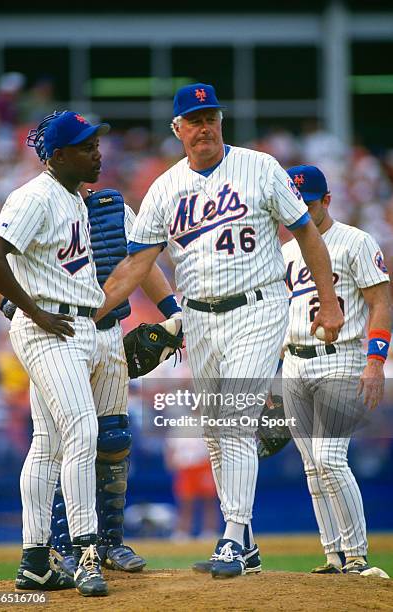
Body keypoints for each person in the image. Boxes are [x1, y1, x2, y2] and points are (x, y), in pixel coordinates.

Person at [90, 83, 344, 579]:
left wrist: (329, 303)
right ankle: (245, 543)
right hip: (200, 318)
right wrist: (94, 312)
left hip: (258, 305)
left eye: (211, 117)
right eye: (194, 119)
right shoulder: (164, 188)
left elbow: (307, 233)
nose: (204, 126)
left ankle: (232, 533)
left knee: (233, 420)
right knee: (214, 432)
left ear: (221, 121)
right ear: (178, 129)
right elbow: (138, 262)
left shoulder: (261, 167)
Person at [0, 111, 183, 592]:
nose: (98, 152)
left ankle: (35, 560)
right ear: (58, 155)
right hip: (53, 324)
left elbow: (137, 259)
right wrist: (27, 309)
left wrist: (171, 310)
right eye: (87, 146)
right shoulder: (33, 196)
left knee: (49, 443)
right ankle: (85, 551)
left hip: (86, 326)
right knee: (82, 429)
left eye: (97, 144)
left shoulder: (81, 200)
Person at [282, 164, 391, 575]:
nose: (302, 213)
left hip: (341, 355)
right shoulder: (286, 250)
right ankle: (332, 557)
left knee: (329, 457)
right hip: (294, 359)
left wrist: (376, 361)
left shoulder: (355, 241)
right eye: (295, 205)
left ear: (326, 200)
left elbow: (381, 301)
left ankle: (358, 555)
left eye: (308, 204)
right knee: (312, 465)